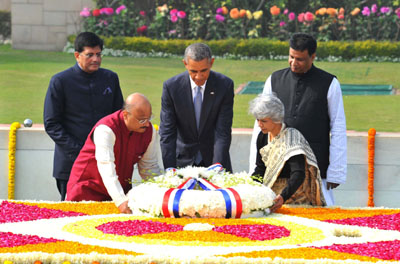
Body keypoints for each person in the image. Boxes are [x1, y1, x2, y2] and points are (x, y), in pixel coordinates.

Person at [249, 33, 347, 206]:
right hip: (277, 166)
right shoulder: (274, 79)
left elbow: (338, 127)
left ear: (313, 57)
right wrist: (254, 169)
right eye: (291, 57)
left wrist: (336, 171)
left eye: (300, 59)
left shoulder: (329, 83)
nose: (294, 62)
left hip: (315, 166)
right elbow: (260, 125)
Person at [43, 32, 123, 201]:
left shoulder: (111, 78)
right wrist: (80, 150)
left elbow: (119, 117)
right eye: (90, 55)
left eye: (99, 54)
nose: (96, 59)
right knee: (71, 216)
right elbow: (51, 124)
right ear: (77, 55)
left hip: (106, 163)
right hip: (70, 164)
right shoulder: (60, 81)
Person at [66, 93, 162, 213]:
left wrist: (163, 193)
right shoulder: (106, 129)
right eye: (142, 119)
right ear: (126, 115)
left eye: (149, 118)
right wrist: (120, 200)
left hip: (120, 192)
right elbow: (107, 168)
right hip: (88, 191)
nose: (147, 124)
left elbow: (149, 167)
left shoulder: (149, 131)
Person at [159, 43, 234, 172]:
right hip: (181, 162)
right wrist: (170, 168)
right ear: (185, 64)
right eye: (193, 71)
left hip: (215, 161)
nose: (198, 77)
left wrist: (217, 167)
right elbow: (167, 132)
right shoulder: (171, 87)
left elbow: (223, 131)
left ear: (211, 63)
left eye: (204, 71)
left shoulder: (224, 85)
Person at [249, 94, 326, 212]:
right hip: (270, 191)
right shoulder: (262, 137)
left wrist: (283, 196)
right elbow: (260, 168)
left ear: (276, 119)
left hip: (294, 195)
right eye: (258, 120)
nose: (259, 124)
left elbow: (298, 173)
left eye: (264, 121)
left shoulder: (291, 138)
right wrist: (250, 187)